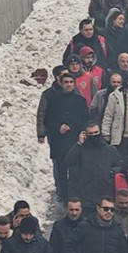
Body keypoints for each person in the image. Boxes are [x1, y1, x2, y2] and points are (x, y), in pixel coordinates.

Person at [38, 71, 90, 205]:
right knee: (61, 170)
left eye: (71, 82)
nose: (69, 85)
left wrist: (73, 127)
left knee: (75, 170)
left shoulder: (80, 101)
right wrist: (58, 127)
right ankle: (63, 196)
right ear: (61, 83)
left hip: (75, 140)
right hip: (58, 141)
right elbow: (47, 119)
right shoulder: (53, 100)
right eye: (66, 82)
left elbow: (85, 118)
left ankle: (75, 196)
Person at [64, 122, 120, 214]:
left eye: (96, 132)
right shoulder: (80, 149)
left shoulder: (109, 150)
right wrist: (79, 144)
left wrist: (110, 173)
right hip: (84, 196)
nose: (94, 135)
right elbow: (68, 161)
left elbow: (118, 167)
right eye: (90, 133)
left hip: (104, 195)